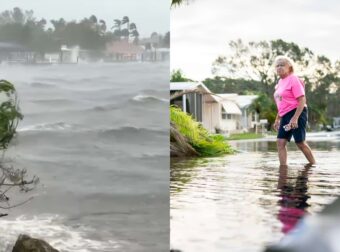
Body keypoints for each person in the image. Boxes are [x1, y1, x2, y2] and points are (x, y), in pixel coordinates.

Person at [273, 55, 316, 166]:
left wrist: (295, 118)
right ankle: (283, 168)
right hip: (285, 115)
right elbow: (283, 103)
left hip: (297, 112)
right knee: (281, 142)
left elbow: (302, 99)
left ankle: (314, 165)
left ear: (289, 67)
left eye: (282, 65)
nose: (279, 67)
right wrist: (277, 119)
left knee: (300, 142)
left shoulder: (293, 79)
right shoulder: (280, 82)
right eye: (277, 65)